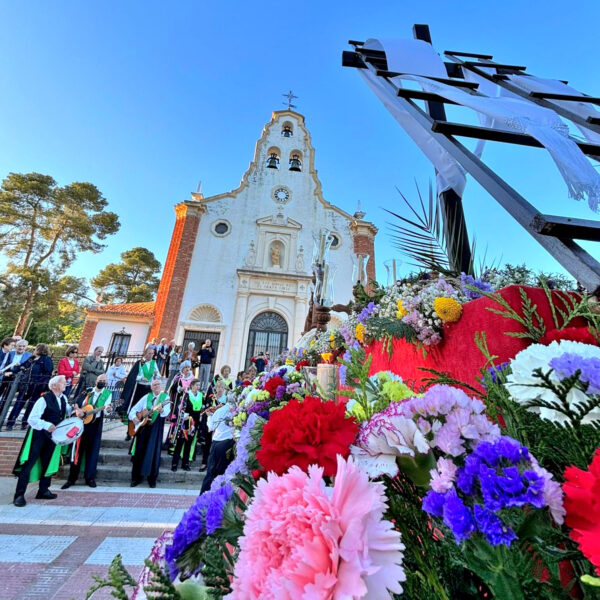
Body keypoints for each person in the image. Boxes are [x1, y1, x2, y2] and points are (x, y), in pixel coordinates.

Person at [13, 375, 84, 507]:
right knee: (30, 463)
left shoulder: (62, 399)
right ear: (54, 386)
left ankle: (43, 490)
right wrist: (46, 425)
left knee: (48, 461)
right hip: (39, 436)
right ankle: (19, 495)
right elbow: (32, 419)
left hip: (53, 437)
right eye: (63, 382)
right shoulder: (43, 399)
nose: (66, 384)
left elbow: (67, 411)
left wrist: (77, 411)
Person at [61, 373, 113, 489]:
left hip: (95, 424)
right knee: (77, 450)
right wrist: (78, 410)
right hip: (82, 423)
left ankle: (90, 478)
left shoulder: (108, 394)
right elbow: (75, 402)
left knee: (92, 451)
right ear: (96, 381)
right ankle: (72, 478)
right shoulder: (87, 391)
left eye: (104, 381)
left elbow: (107, 409)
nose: (102, 382)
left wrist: (108, 409)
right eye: (100, 380)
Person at [128, 379, 170, 488]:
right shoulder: (146, 397)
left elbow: (166, 412)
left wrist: (161, 410)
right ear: (151, 387)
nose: (156, 386)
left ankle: (152, 479)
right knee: (139, 453)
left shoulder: (165, 398)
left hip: (156, 429)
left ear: (161, 386)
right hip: (142, 429)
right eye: (154, 385)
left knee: (154, 453)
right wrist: (134, 418)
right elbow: (133, 410)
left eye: (158, 384)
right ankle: (135, 478)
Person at [7, 343, 54, 430]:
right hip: (26, 385)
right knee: (19, 403)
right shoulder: (31, 359)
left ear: (39, 350)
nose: (34, 350)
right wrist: (12, 371)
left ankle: (25, 423)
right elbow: (23, 366)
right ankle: (10, 422)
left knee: (32, 405)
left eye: (35, 349)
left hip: (37, 386)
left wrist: (39, 383)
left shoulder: (46, 359)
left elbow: (48, 373)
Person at [200, 380, 234, 493]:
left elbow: (211, 427)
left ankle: (204, 496)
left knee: (212, 472)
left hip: (219, 442)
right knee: (224, 472)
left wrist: (209, 416)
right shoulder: (237, 411)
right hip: (230, 442)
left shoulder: (221, 410)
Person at [120, 347, 161, 422]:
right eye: (149, 353)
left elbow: (158, 375)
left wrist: (155, 374)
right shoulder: (140, 362)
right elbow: (133, 375)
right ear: (145, 353)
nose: (151, 355)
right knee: (136, 402)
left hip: (149, 387)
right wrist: (141, 378)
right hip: (139, 386)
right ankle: (132, 417)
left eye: (152, 353)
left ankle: (143, 418)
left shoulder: (153, 363)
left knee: (146, 403)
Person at [171, 378, 203, 472]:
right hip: (185, 422)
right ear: (192, 386)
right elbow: (180, 407)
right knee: (180, 442)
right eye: (196, 385)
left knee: (189, 443)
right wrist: (183, 415)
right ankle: (174, 463)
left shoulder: (201, 395)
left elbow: (202, 407)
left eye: (199, 385)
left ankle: (185, 463)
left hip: (195, 422)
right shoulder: (187, 395)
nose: (198, 387)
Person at [0, 339, 31, 404]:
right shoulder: (10, 353)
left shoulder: (29, 355)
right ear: (16, 346)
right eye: (19, 346)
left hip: (17, 377)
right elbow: (5, 363)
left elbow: (28, 367)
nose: (21, 348)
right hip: (5, 375)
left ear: (26, 347)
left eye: (23, 346)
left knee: (8, 396)